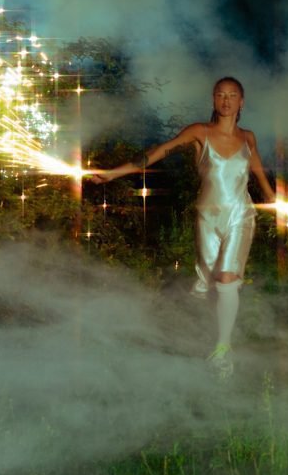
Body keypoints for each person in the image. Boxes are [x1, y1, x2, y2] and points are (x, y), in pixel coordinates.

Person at [87, 77, 276, 378]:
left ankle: (223, 352)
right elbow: (159, 151)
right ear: (213, 99)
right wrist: (114, 173)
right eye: (220, 94)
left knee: (227, 277)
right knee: (210, 285)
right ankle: (197, 339)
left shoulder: (248, 138)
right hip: (207, 218)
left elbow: (257, 170)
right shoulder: (199, 132)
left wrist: (273, 201)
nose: (226, 100)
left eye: (233, 95)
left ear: (242, 101)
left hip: (240, 214)